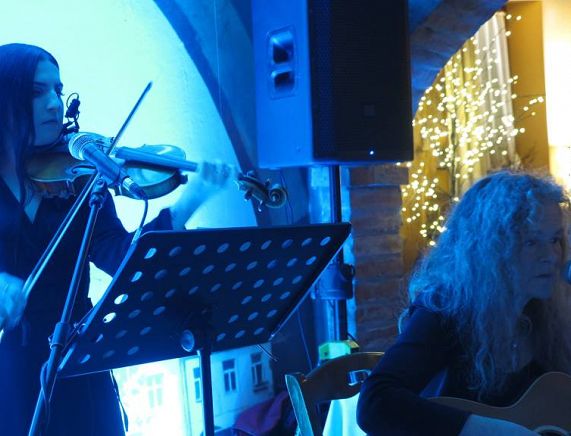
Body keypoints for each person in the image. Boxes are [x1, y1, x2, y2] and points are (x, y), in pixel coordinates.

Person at [0, 43, 232, 435]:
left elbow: (121, 256)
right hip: (11, 369)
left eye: (58, 90)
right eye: (38, 92)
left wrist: (187, 203)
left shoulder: (81, 178)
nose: (55, 103)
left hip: (77, 357)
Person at [357, 171, 571, 435]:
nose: (551, 255)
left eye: (554, 239)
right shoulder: (445, 309)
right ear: (491, 250)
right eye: (531, 242)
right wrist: (494, 431)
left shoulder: (547, 314)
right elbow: (376, 404)